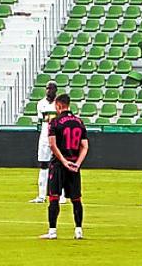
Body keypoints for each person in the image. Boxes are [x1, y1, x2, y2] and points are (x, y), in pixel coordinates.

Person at [41, 93, 87, 240]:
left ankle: (52, 231)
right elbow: (84, 146)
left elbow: (52, 144)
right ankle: (78, 230)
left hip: (59, 165)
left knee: (54, 198)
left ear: (59, 105)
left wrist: (63, 161)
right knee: (76, 199)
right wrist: (78, 163)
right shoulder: (79, 122)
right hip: (74, 165)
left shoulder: (54, 122)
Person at [31, 81, 59, 203]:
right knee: (43, 164)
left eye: (51, 88)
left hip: (57, 136)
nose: (48, 91)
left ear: (55, 90)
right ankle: (41, 195)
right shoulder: (40, 104)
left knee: (59, 165)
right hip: (44, 136)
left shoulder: (59, 103)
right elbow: (42, 120)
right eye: (47, 88)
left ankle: (60, 195)